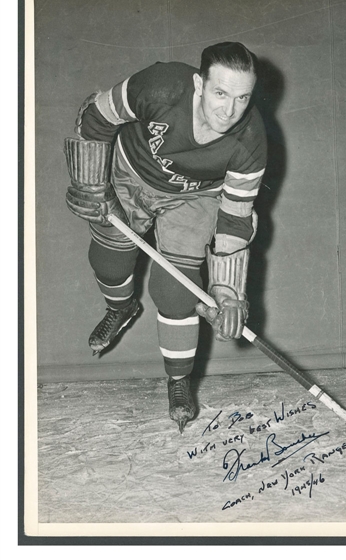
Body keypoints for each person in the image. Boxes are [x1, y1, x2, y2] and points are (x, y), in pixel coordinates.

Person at [64, 42, 267, 433]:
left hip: (195, 197)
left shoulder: (251, 141)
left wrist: (226, 290)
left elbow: (235, 219)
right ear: (198, 83)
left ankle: (179, 382)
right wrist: (90, 180)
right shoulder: (158, 86)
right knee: (108, 258)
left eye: (242, 98)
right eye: (220, 93)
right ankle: (120, 308)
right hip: (129, 171)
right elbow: (95, 116)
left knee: (178, 292)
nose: (229, 111)